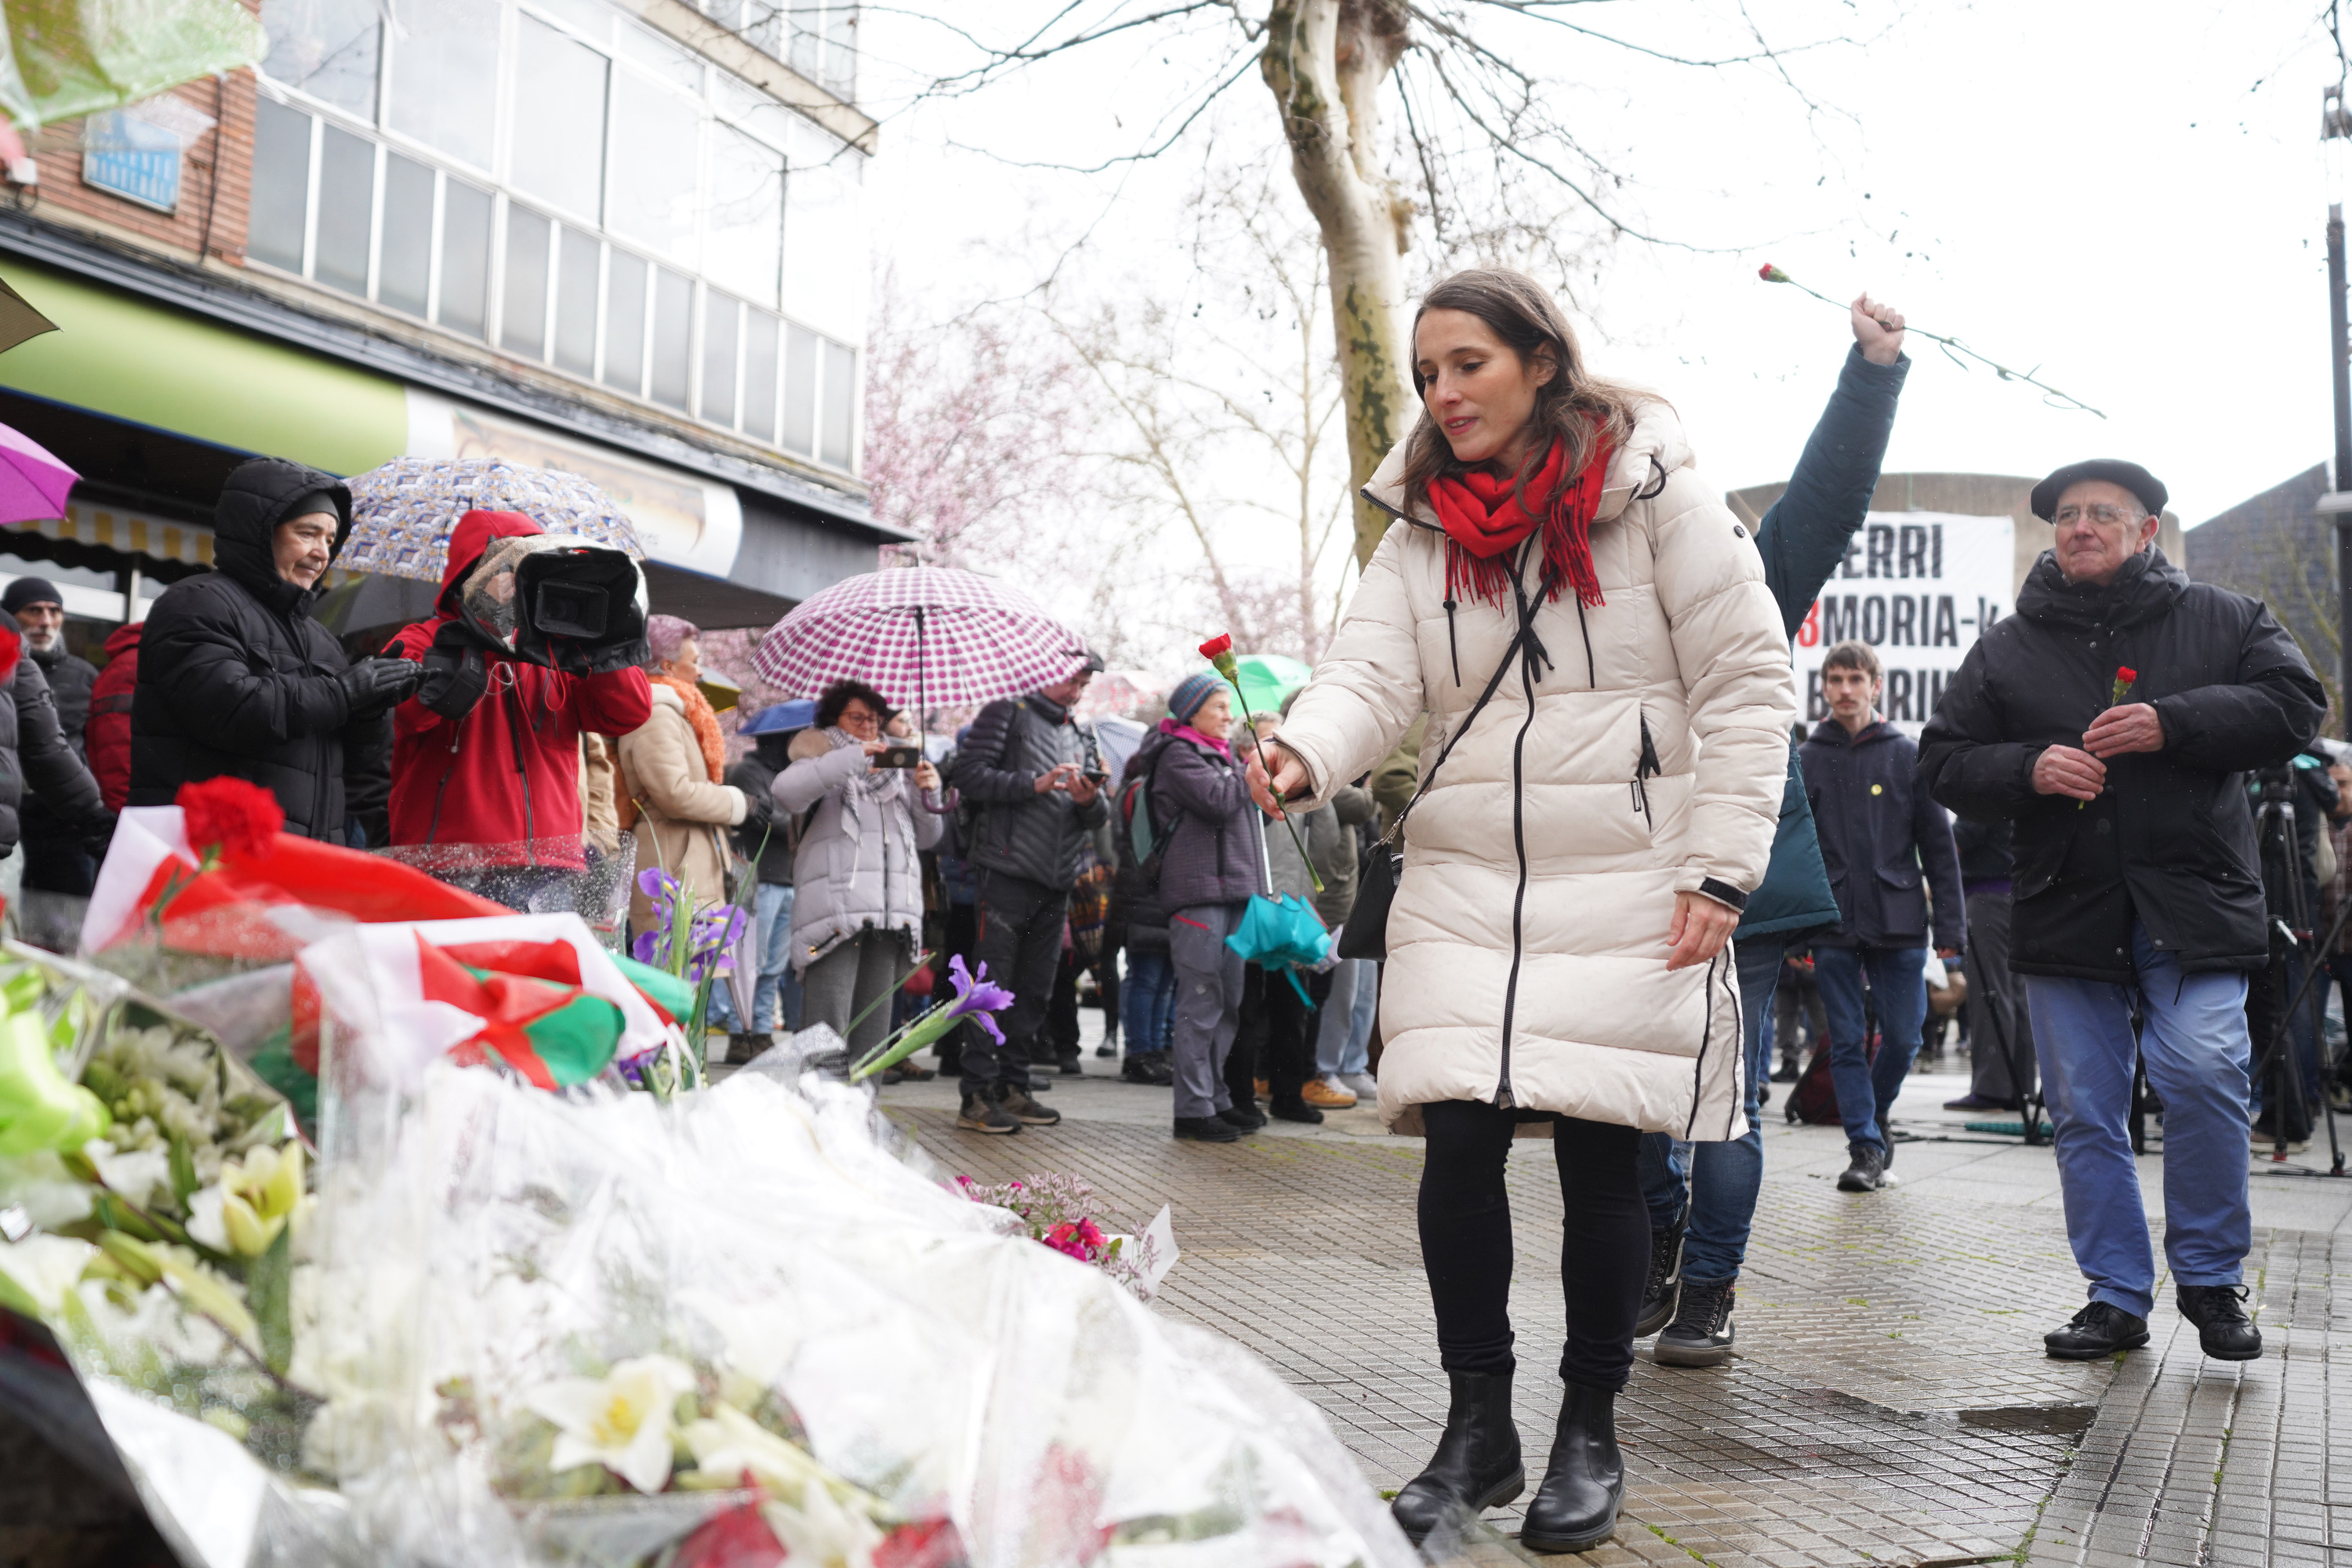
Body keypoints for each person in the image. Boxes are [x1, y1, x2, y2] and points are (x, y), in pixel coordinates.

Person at [1255, 267, 1795, 1550]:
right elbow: (1370, 672)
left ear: (1541, 361)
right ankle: (1476, 1425)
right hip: (1465, 871)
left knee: (1609, 1157)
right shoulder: (1420, 525)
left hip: (1628, 862)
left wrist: (1721, 866)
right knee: (1456, 1149)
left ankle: (1589, 1432)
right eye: (1429, 373)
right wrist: (1303, 752)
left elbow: (1747, 678)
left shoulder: (1661, 492)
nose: (1444, 394)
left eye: (1468, 366)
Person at [1920, 457, 2325, 1364]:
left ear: (2147, 530)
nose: (2080, 526)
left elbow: (2297, 705)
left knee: (2207, 1072)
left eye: (2103, 512)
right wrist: (2029, 767)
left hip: (2194, 904)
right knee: (2086, 1108)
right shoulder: (2007, 647)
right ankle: (2114, 1295)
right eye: (2066, 515)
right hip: (2068, 908)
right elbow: (1942, 761)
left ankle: (2213, 1281)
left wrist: (2171, 722)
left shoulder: (2224, 618)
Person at [1632, 295, 1913, 1367]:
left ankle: (1707, 1286)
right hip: (1615, 875)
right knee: (1629, 1102)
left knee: (1724, 1098)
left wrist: (1872, 372)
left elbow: (1829, 500)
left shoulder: (1740, 570)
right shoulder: (1571, 586)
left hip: (1729, 879)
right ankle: (1662, 1238)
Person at [132, 458, 411, 844]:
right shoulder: (195, 604)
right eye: (307, 533)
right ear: (260, 534)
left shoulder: (320, 637)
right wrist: (343, 693)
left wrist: (371, 708)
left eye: (330, 540)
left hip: (302, 858)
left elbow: (355, 763)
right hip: (214, 852)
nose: (322, 553)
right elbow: (230, 712)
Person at [384, 509, 652, 906]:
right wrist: (481, 628)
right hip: (450, 863)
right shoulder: (423, 640)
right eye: (508, 569)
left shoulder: (557, 649)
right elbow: (412, 713)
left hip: (551, 863)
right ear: (470, 576)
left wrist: (598, 641)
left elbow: (628, 712)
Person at [1798, 639, 1964, 1194]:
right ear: (1823, 688)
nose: (1845, 690)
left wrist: (1952, 934)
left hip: (1899, 918)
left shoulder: (1907, 754)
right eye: (1835, 679)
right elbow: (1792, 850)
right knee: (1844, 1041)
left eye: (1855, 679)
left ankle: (1875, 1112)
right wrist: (1792, 928)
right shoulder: (1807, 759)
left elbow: (1939, 848)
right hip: (1831, 921)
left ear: (1875, 685)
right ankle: (1865, 1147)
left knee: (1904, 1037)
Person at [948, 654, 1108, 1131]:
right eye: (1070, 680)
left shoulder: (1082, 733)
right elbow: (967, 775)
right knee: (990, 986)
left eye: (1082, 684)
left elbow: (1099, 818)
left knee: (1034, 991)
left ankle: (1014, 1087)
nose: (1075, 691)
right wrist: (1032, 783)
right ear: (1044, 670)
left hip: (1058, 877)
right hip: (1004, 870)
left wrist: (1089, 800)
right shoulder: (1006, 712)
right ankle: (975, 1094)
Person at [773, 681, 944, 1087]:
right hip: (835, 915)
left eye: (875, 719)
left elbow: (930, 838)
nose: (869, 727)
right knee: (824, 1027)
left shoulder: (898, 768)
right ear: (834, 719)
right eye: (857, 718)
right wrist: (853, 758)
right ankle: (815, 1121)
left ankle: (861, 1124)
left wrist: (926, 793)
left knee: (873, 1037)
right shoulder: (819, 756)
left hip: (891, 917)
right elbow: (786, 794)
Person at [1132, 671, 1265, 1143]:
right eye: (1219, 708)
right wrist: (1250, 768)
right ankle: (1191, 1109)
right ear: (1191, 713)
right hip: (1196, 893)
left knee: (1228, 1002)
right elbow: (1220, 799)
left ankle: (1216, 1098)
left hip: (1231, 891)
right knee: (1199, 1003)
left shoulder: (1222, 755)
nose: (1230, 716)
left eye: (1230, 708)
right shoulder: (1177, 755)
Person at [720, 699, 814, 1053]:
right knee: (750, 961)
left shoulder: (791, 774)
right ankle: (740, 1032)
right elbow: (764, 817)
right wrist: (806, 821)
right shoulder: (749, 771)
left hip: (788, 877)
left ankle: (760, 1030)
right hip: (757, 877)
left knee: (774, 964)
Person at [6, 578, 99, 898]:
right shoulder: (6, 670)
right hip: (11, 822)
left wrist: (91, 810)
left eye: (54, 611)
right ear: (10, 616)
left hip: (64, 828)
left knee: (62, 930)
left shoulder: (85, 676)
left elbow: (95, 749)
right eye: (34, 610)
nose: (45, 621)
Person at [1944, 815, 2036, 1113]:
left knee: (1989, 993)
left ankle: (1991, 1089)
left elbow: (1950, 844)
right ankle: (2018, 1087)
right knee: (2015, 995)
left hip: (1987, 897)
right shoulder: (2016, 781)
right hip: (2016, 894)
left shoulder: (1985, 788)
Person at [1109, 739, 1178, 1085]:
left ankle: (1153, 1051)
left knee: (1162, 979)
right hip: (1144, 894)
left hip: (1156, 894)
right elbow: (1138, 847)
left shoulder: (1147, 787)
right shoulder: (1141, 789)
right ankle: (1140, 1053)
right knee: (1147, 978)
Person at [84, 622, 140, 812]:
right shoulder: (133, 666)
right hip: (134, 816)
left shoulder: (141, 663)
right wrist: (125, 816)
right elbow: (118, 751)